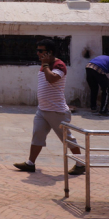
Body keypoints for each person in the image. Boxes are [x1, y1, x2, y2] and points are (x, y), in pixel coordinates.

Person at [14, 39, 85, 175]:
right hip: (42, 109)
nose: (38, 53)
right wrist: (45, 65)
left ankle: (81, 164)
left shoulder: (59, 65)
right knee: (37, 136)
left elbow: (52, 79)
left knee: (67, 139)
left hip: (57, 111)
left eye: (41, 51)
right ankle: (30, 163)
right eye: (38, 50)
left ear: (50, 52)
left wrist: (46, 66)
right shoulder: (44, 65)